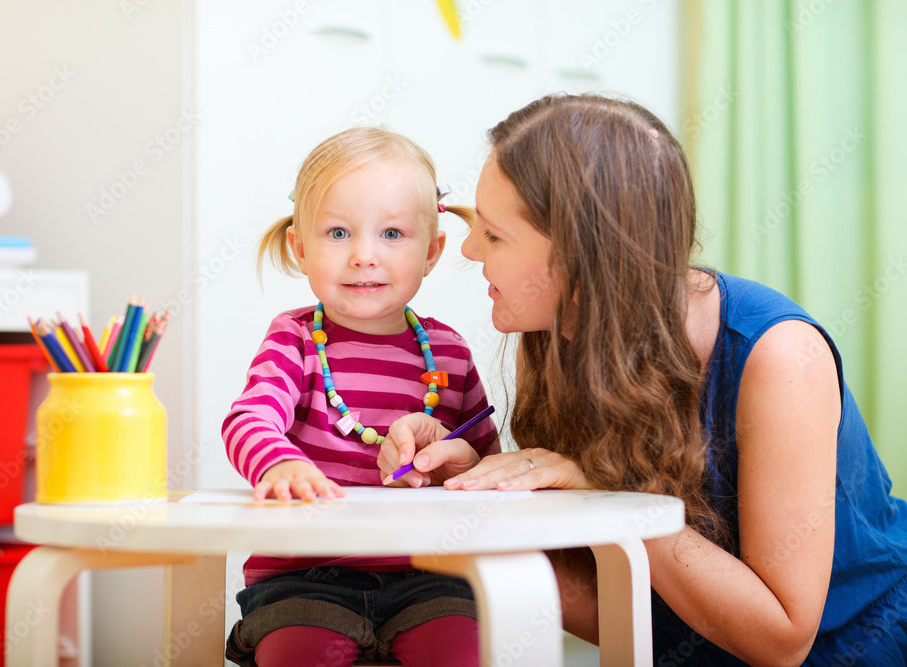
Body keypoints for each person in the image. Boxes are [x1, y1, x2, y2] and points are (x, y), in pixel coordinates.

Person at [379, 94, 907, 665]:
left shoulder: (779, 358)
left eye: (495, 234)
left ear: (581, 257)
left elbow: (782, 640)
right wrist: (477, 498)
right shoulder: (563, 334)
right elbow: (629, 608)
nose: (468, 247)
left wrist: (610, 503)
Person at [222, 126, 499, 667]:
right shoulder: (295, 339)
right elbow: (248, 419)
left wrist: (459, 466)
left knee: (461, 652)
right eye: (338, 233)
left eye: (392, 234)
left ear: (432, 251)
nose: (364, 256)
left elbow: (487, 466)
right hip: (303, 577)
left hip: (430, 575)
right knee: (297, 654)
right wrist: (278, 464)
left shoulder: (449, 352)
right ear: (300, 249)